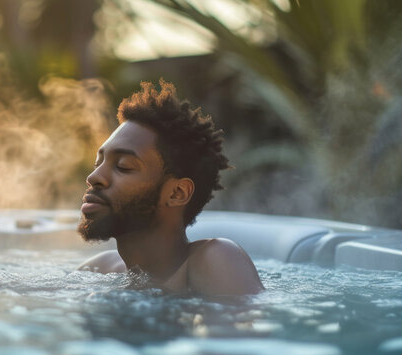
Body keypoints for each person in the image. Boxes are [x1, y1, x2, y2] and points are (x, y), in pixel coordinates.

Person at [77, 80, 263, 296]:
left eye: (123, 167)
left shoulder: (214, 258)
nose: (93, 177)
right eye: (98, 164)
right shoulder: (100, 270)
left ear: (177, 193)